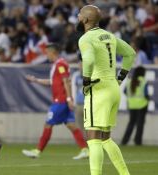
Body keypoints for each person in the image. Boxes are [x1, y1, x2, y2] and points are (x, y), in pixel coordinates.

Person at [77, 5, 136, 175]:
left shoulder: (86, 38)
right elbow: (130, 53)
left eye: (80, 14)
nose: (78, 16)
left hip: (99, 89)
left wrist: (86, 81)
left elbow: (88, 60)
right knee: (105, 138)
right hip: (113, 88)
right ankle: (125, 173)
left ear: (86, 19)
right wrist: (120, 77)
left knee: (93, 139)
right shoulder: (109, 36)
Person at [22, 43, 89, 160]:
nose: (46, 55)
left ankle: (37, 151)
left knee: (48, 124)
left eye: (47, 52)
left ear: (53, 53)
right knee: (71, 125)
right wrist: (36, 80)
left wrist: (68, 99)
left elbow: (66, 81)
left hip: (61, 101)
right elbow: (52, 81)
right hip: (63, 101)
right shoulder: (58, 64)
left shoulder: (60, 64)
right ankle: (85, 150)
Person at [122, 66, 149, 146]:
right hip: (142, 105)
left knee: (131, 123)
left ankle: (124, 141)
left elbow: (125, 92)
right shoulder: (143, 81)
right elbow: (146, 93)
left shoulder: (129, 81)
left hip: (131, 105)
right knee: (140, 125)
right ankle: (138, 141)